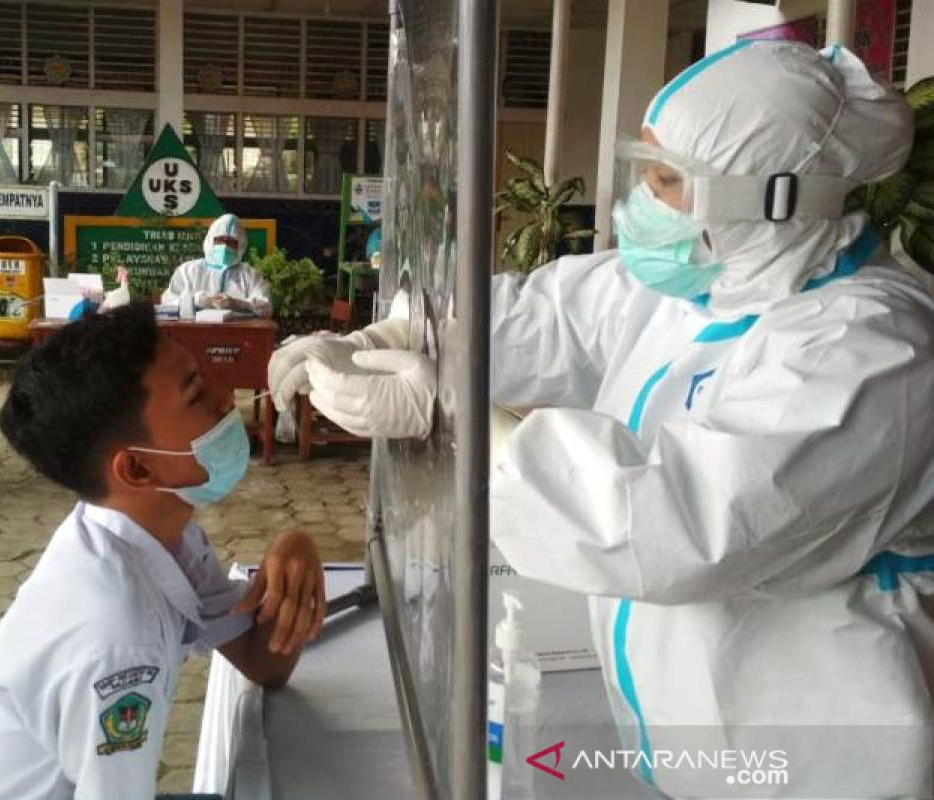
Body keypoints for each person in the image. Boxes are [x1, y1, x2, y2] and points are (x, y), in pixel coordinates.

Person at [269, 42, 934, 797]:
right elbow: (549, 314)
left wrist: (454, 415)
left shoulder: (873, 350)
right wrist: (395, 336)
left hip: (821, 762)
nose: (640, 202)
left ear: (776, 197)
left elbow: (673, 522)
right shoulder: (704, 278)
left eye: (667, 180)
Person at [0, 304, 325, 799]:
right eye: (196, 394)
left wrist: (293, 549)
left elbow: (261, 664)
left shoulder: (157, 539)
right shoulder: (117, 634)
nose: (226, 400)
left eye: (204, 378)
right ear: (137, 471)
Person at [161, 214, 272, 317]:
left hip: (238, 334)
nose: (225, 247)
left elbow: (267, 307)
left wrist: (238, 303)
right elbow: (167, 303)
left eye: (231, 243)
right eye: (220, 241)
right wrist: (196, 300)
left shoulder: (249, 275)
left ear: (241, 245)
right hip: (194, 332)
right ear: (210, 240)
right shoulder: (188, 271)